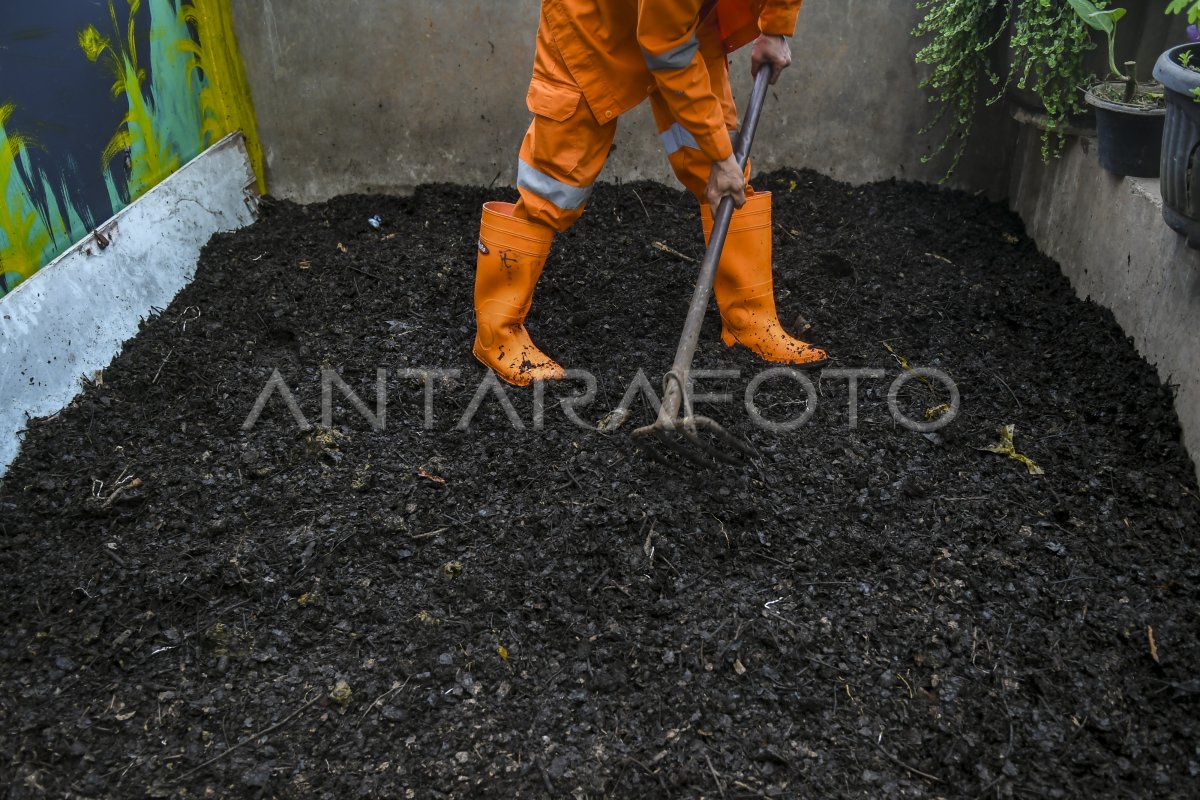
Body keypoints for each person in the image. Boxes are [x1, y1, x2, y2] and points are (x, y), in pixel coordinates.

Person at [473, 0, 827, 387]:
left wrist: (775, 27)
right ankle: (498, 334)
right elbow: (664, 46)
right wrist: (721, 156)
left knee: (719, 157)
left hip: (685, 20)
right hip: (593, 22)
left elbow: (671, 41)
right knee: (557, 177)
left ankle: (750, 319)